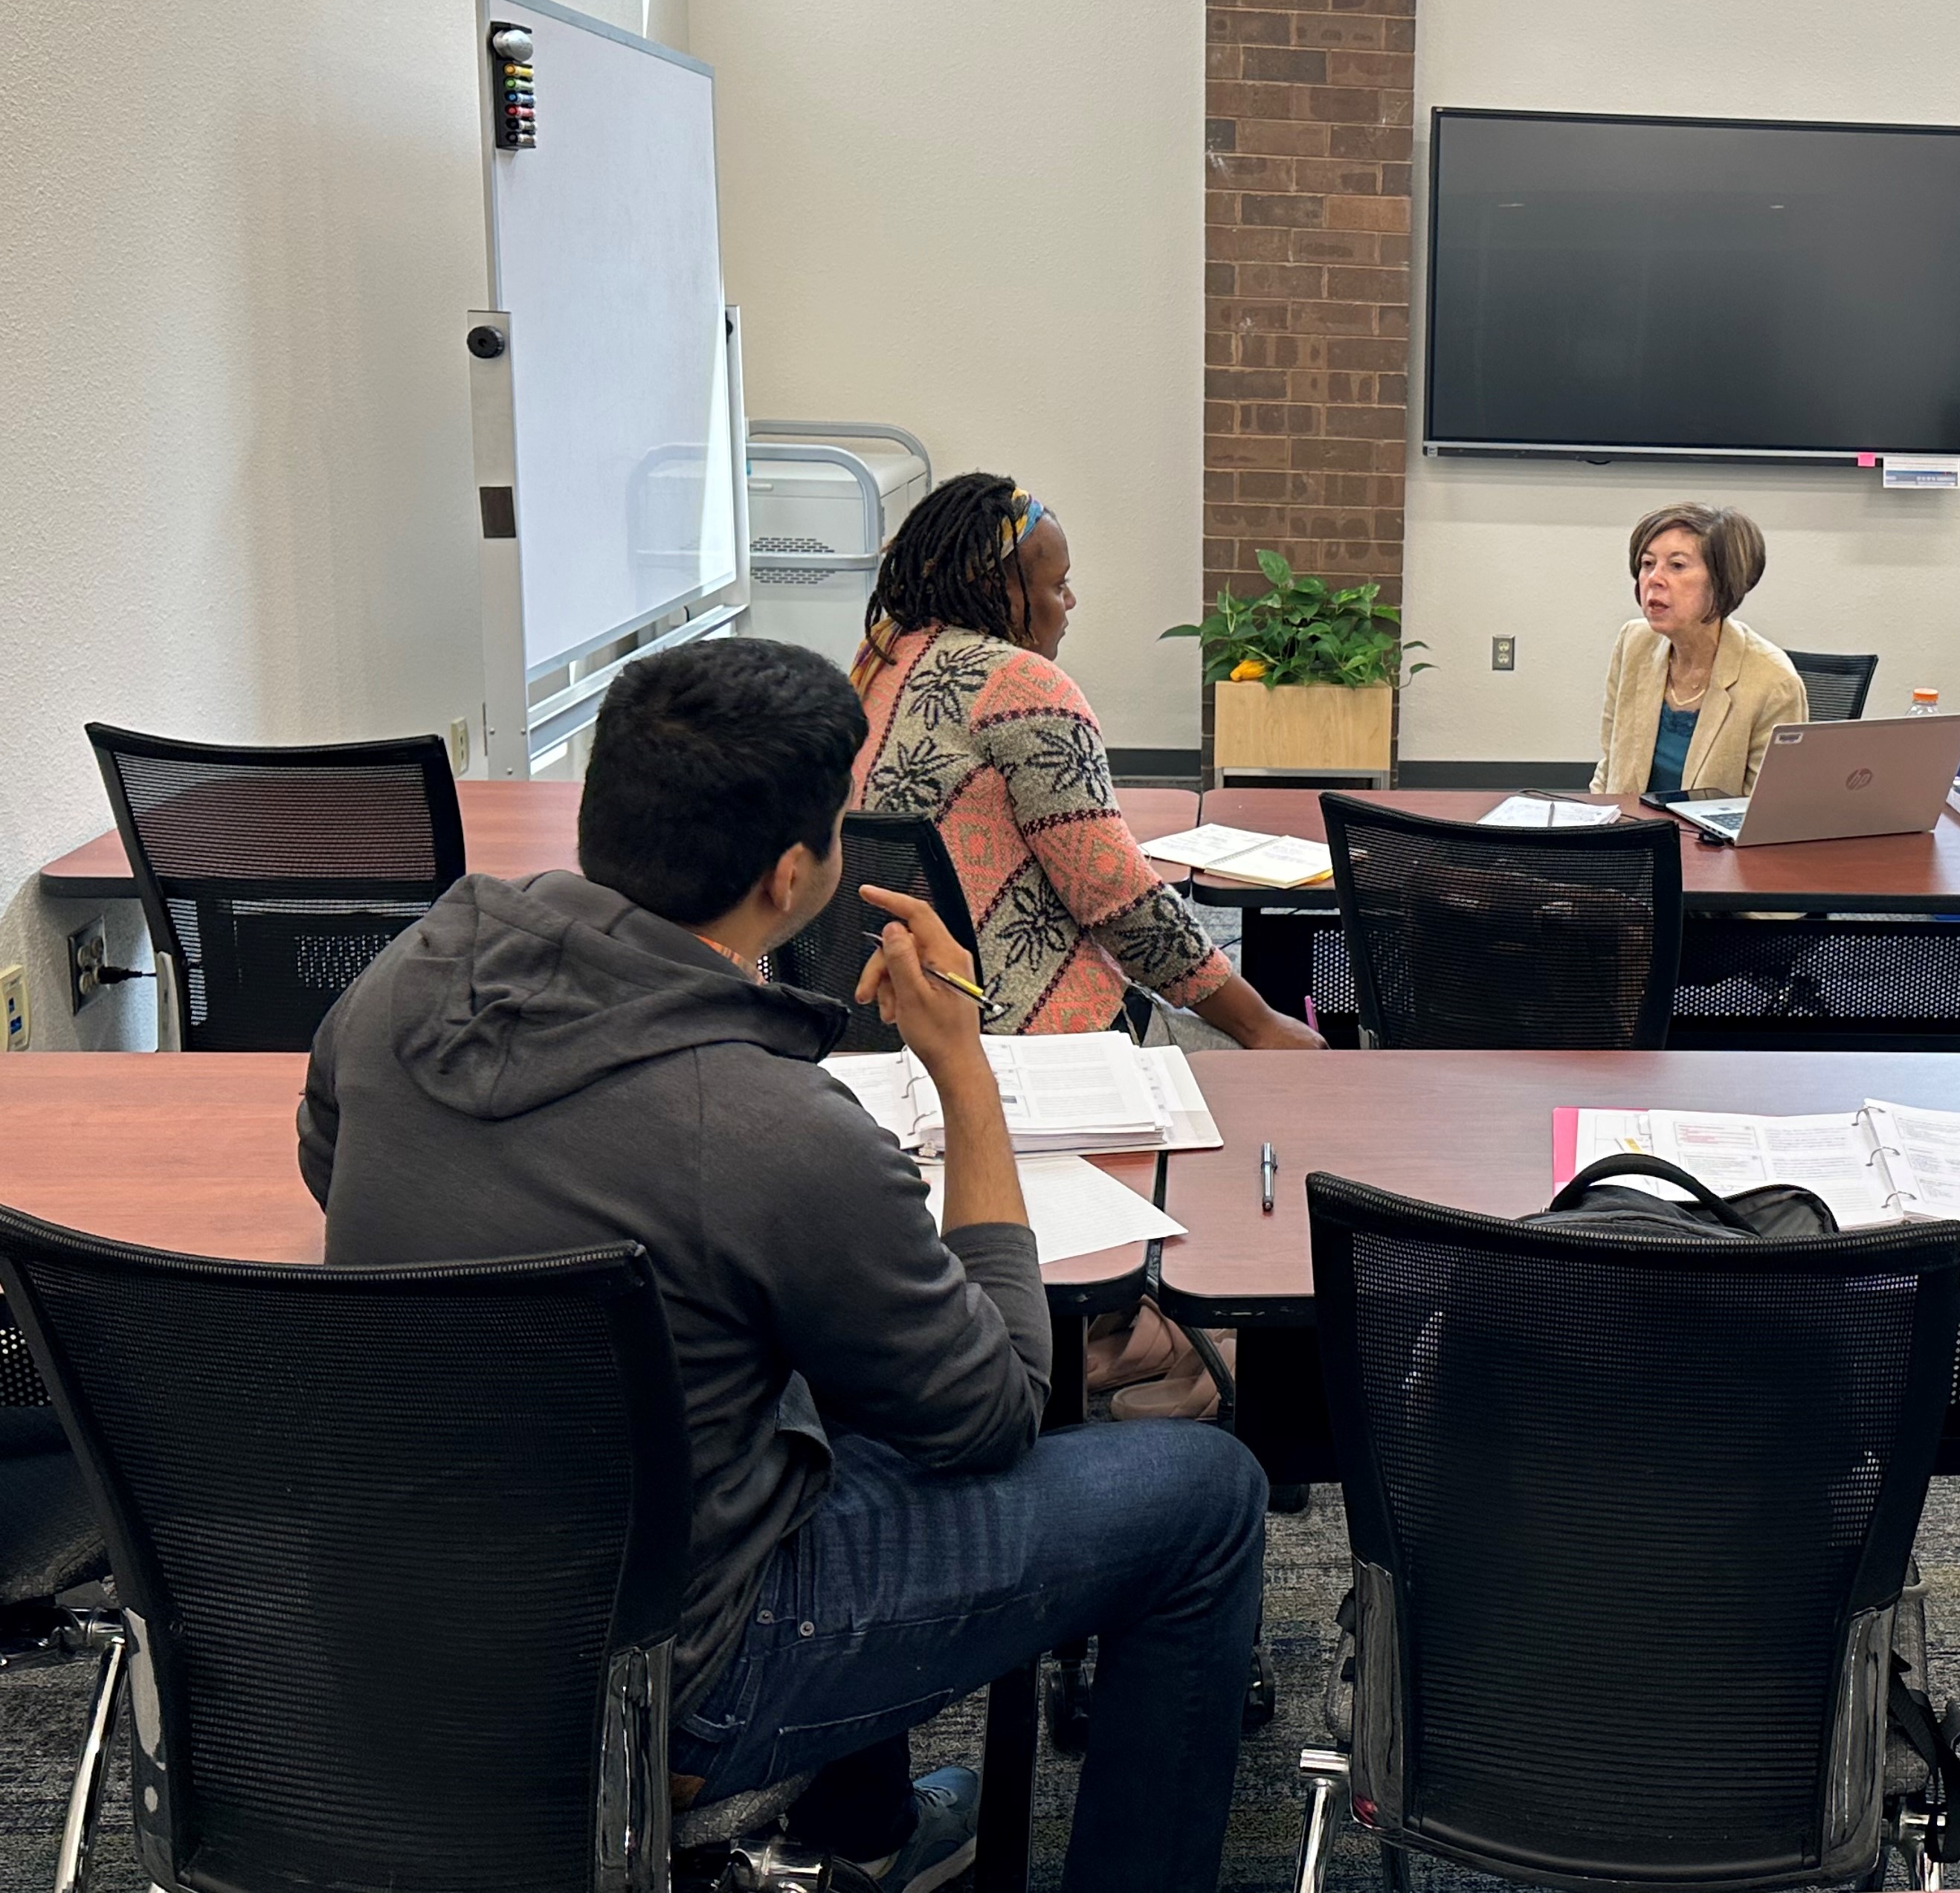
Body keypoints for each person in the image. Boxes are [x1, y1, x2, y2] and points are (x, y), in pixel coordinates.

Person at [297, 637, 1267, 1893]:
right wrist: (962, 1071)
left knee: (801, 1382)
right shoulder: (774, 1128)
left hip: (389, 1620)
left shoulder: (403, 978)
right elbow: (989, 1412)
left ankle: (862, 1825)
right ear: (800, 869)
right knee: (1203, 1492)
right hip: (668, 1681)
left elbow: (331, 1161)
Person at [851, 472, 1321, 1050]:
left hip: (895, 1014)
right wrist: (1262, 1025)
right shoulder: (1022, 685)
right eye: (1058, 584)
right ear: (1000, 590)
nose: (1069, 602)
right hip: (1033, 1033)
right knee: (1284, 1085)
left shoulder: (881, 656)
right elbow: (1120, 902)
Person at [1587, 503, 1809, 799]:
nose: (1654, 579)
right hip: (1629, 836)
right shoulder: (1634, 642)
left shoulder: (1774, 682)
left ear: (1721, 581)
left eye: (1677, 566)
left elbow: (1767, 811)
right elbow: (1609, 766)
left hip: (1710, 844)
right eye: (1648, 564)